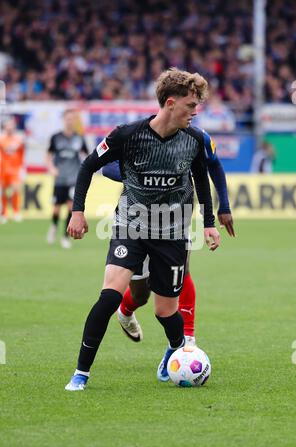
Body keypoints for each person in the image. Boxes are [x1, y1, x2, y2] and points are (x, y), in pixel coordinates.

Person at [65, 68, 220, 391]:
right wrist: (77, 212)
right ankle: (81, 374)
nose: (195, 112)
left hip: (172, 234)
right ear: (170, 102)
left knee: (165, 312)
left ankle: (176, 352)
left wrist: (209, 224)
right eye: (191, 105)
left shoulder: (192, 140)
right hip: (130, 227)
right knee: (108, 297)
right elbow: (88, 166)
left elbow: (201, 181)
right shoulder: (127, 135)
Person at [101, 130, 234, 381]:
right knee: (141, 291)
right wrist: (150, 173)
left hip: (176, 213)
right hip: (138, 217)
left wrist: (223, 206)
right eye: (189, 103)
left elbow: (214, 166)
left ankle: (185, 343)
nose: (193, 111)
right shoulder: (139, 134)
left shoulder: (197, 138)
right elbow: (106, 168)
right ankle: (125, 310)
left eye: (195, 104)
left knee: (182, 272)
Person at [46, 109, 88, 248]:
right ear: (64, 120)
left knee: (71, 207)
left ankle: (65, 237)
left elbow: (87, 157)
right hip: (60, 178)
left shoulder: (79, 138)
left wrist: (84, 172)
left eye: (72, 119)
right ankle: (53, 227)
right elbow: (48, 155)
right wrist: (51, 167)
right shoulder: (56, 137)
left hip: (73, 178)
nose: (69, 121)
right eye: (67, 119)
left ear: (74, 121)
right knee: (56, 209)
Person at [0, 117, 25, 223]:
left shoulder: (19, 139)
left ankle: (16, 212)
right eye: (8, 125)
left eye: (11, 125)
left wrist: (23, 167)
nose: (9, 128)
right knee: (4, 191)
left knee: (15, 189)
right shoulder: (1, 139)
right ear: (5, 127)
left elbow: (22, 154)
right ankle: (4, 214)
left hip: (15, 169)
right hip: (3, 168)